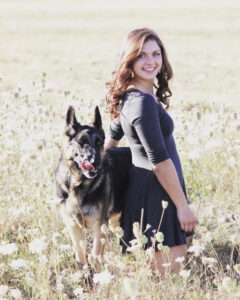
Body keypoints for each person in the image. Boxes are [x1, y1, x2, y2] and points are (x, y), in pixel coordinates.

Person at [105, 28, 196, 276]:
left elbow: (113, 132)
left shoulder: (133, 97)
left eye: (156, 54)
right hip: (159, 200)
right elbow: (159, 161)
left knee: (151, 283)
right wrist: (182, 206)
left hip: (149, 196)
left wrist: (106, 159)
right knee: (169, 283)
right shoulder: (142, 102)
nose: (151, 61)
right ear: (129, 59)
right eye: (142, 55)